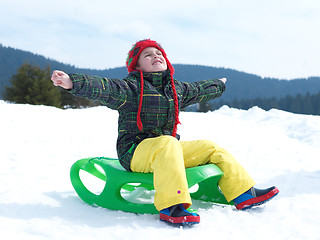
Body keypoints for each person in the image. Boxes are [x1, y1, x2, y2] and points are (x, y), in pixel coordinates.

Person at [51, 39, 279, 226]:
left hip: (165, 151)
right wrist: (72, 82)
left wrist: (218, 84)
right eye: (147, 55)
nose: (156, 56)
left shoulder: (175, 89)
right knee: (168, 143)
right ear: (137, 66)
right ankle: (172, 205)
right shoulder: (131, 89)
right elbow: (104, 87)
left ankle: (244, 193)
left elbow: (197, 90)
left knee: (209, 147)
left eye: (158, 53)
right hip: (135, 152)